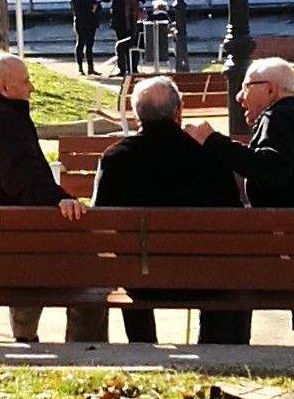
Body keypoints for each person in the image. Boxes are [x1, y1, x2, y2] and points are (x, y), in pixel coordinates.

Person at [185, 57, 294, 346]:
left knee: (223, 259)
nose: (239, 97)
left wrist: (211, 141)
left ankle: (224, 346)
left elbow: (270, 170)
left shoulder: (276, 118)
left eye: (245, 88)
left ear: (270, 90)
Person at [0, 53, 98, 343]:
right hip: (12, 251)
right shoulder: (5, 121)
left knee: (27, 244)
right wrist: (60, 199)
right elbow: (27, 183)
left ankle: (25, 334)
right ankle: (84, 348)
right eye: (26, 81)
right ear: (4, 87)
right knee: (90, 266)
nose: (32, 89)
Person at [91, 77, 246, 344]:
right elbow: (232, 216)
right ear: (179, 110)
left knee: (132, 262)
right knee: (222, 272)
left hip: (141, 280)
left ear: (137, 114)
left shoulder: (116, 157)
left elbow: (100, 217)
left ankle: (142, 344)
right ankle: (213, 347)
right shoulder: (209, 156)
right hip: (204, 280)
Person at [100, 0, 146, 76]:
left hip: (133, 20)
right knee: (122, 45)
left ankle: (133, 68)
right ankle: (122, 69)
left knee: (134, 44)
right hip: (120, 21)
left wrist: (138, 4)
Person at [70, 0, 102, 76]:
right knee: (81, 44)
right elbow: (77, 9)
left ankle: (90, 68)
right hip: (81, 23)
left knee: (90, 45)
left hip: (91, 23)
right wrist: (90, 9)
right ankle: (80, 67)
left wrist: (96, 7)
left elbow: (98, 5)